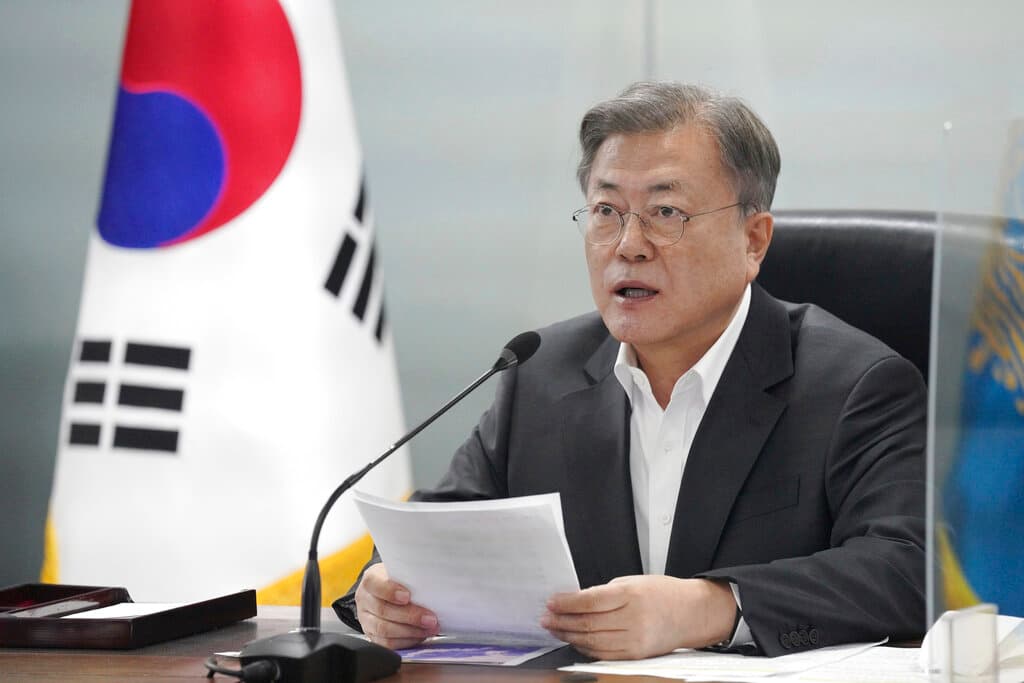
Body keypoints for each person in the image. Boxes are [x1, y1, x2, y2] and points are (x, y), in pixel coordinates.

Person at [335, 81, 926, 659]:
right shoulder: (538, 374)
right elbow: (432, 536)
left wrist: (709, 607)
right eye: (606, 211)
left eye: (666, 212)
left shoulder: (856, 385)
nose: (629, 245)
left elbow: (907, 569)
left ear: (753, 241)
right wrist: (383, 592)